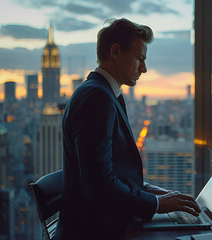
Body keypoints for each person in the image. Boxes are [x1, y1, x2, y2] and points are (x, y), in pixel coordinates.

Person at [54, 18, 201, 240]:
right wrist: (158, 204)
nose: (144, 68)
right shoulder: (97, 98)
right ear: (115, 51)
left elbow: (112, 171)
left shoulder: (100, 92)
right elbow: (100, 184)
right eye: (139, 58)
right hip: (97, 231)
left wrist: (151, 191)